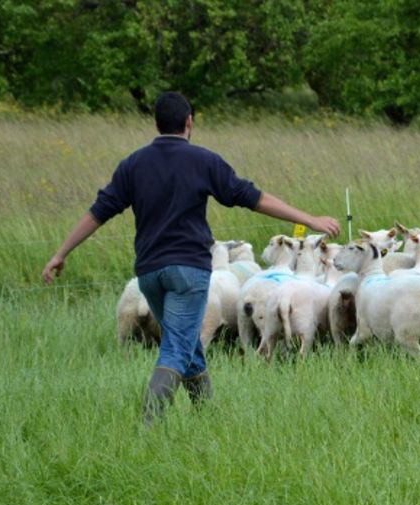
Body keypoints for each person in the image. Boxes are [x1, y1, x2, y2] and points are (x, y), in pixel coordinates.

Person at [41, 92, 340, 423]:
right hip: (189, 273)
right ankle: (148, 427)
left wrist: (60, 252)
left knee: (187, 347)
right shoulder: (203, 160)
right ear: (189, 122)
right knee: (176, 349)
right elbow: (250, 197)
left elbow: (98, 212)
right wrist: (309, 220)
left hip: (149, 274)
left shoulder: (134, 164)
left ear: (156, 123)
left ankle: (208, 418)